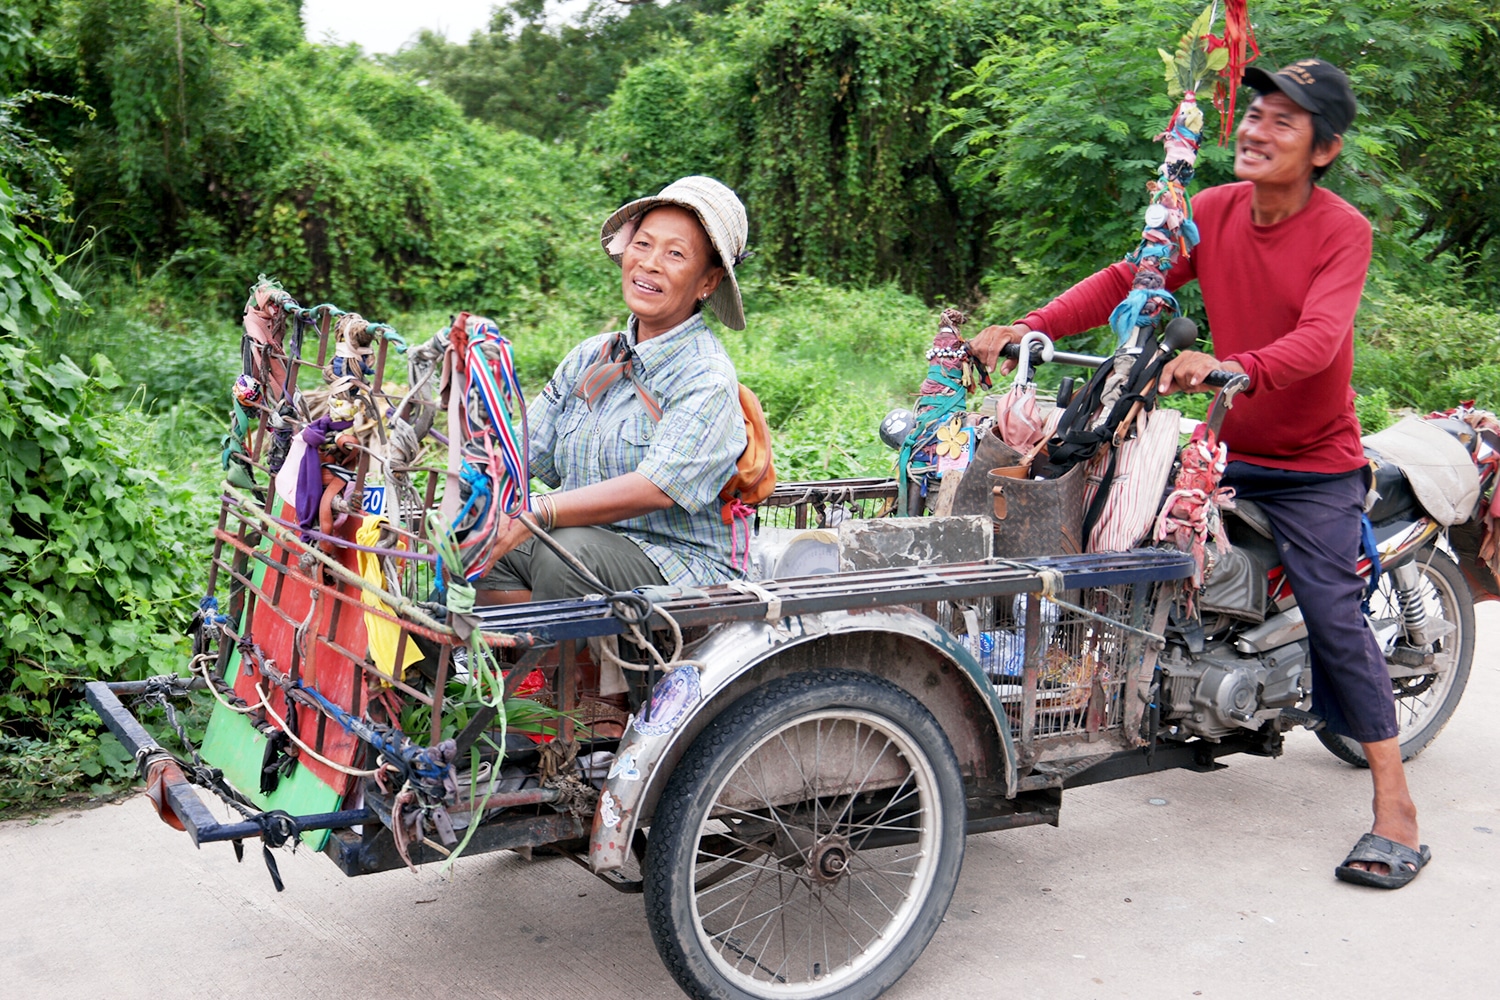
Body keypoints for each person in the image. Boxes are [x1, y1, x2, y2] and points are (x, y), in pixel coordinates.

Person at [970, 60, 1429, 889]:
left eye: (1285, 122)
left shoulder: (1341, 231)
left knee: (1333, 613)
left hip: (1311, 461)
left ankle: (1395, 810)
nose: (1256, 129)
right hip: (1220, 443)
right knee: (1116, 543)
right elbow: (1128, 284)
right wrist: (1027, 326)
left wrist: (1233, 364)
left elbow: (1322, 338)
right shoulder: (1211, 212)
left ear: (1323, 149)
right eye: (1254, 112)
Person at [475, 176, 749, 605]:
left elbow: (657, 486)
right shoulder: (590, 357)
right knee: (475, 546)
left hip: (679, 564)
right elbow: (523, 451)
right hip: (586, 544)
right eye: (643, 244)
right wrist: (474, 482)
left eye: (675, 254)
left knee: (566, 554)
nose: (650, 263)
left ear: (707, 283)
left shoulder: (706, 375)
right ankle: (518, 668)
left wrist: (541, 511)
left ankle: (564, 670)